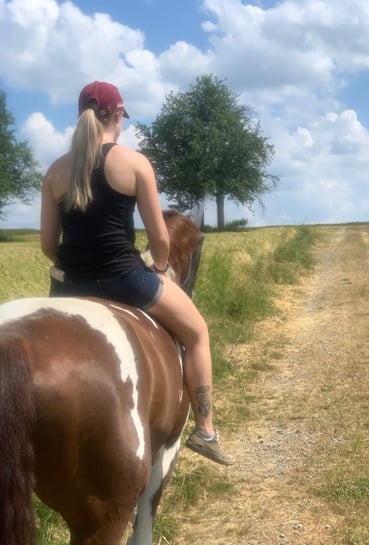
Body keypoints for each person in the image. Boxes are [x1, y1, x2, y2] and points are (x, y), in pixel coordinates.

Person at [40, 80, 234, 466]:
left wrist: (77, 267)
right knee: (197, 333)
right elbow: (160, 239)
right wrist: (159, 269)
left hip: (68, 288)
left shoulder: (55, 171)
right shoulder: (133, 163)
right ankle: (206, 430)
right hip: (124, 280)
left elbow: (48, 245)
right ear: (117, 115)